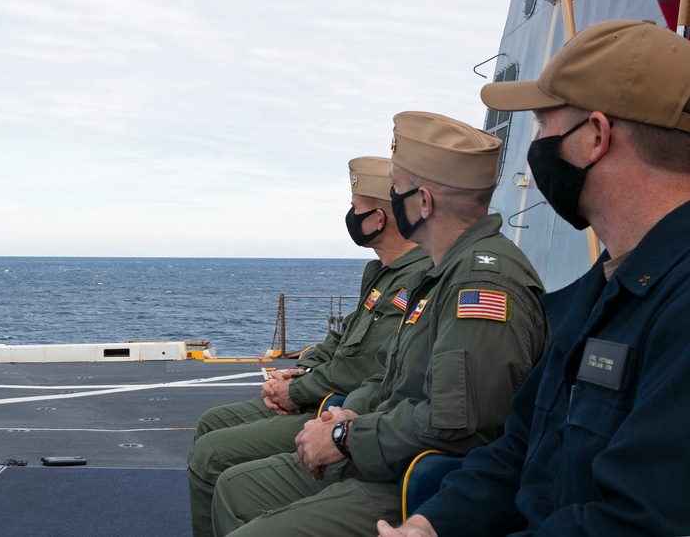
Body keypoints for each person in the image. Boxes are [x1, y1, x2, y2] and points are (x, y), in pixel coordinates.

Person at [380, 19, 690, 537]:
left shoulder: (677, 307)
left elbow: (638, 522)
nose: (537, 144)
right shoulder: (600, 291)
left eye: (544, 125)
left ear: (594, 136)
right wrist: (431, 525)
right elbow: (519, 448)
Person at [210, 111, 548, 537]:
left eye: (396, 187)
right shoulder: (441, 274)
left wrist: (344, 437)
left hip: (418, 481)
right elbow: (392, 376)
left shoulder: (480, 284)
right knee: (233, 488)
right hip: (385, 450)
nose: (390, 198)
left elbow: (454, 425)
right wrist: (349, 413)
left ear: (423, 202)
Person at [188, 156, 432, 537]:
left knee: (214, 457)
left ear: (378, 219)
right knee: (211, 424)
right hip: (324, 394)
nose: (351, 215)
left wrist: (296, 390)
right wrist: (297, 371)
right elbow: (343, 338)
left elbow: (363, 368)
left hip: (337, 408)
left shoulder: (415, 279)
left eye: (356, 208)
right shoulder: (381, 274)